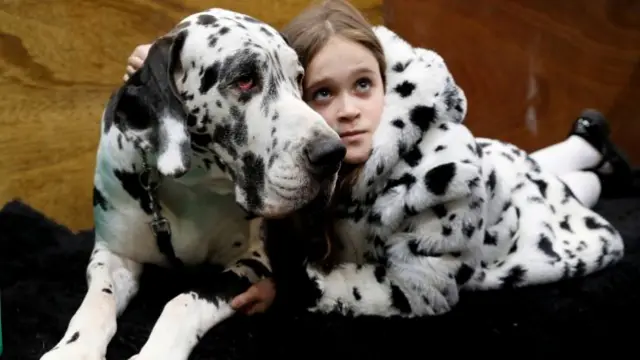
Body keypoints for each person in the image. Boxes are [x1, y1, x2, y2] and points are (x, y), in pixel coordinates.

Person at [123, 0, 632, 317]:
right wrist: (165, 68)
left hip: (499, 200)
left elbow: (428, 292)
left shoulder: (440, 174)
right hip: (495, 159)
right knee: (527, 160)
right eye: (322, 93)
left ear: (387, 81)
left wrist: (307, 293)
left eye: (363, 85)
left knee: (562, 193)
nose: (346, 110)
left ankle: (591, 162)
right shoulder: (305, 154)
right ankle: (586, 142)